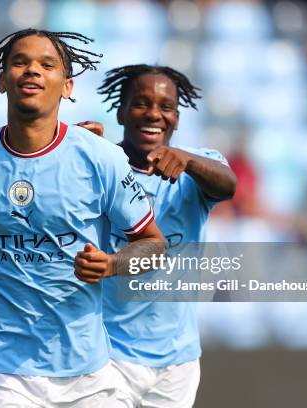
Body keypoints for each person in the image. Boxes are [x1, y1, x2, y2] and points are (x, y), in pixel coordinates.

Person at [0, 29, 164, 407]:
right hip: (2, 374)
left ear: (67, 86)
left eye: (47, 64)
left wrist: (111, 264)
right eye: (20, 62)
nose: (32, 72)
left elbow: (154, 247)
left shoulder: (100, 158)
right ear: (2, 79)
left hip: (88, 375)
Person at [96, 64, 236, 407]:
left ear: (176, 117)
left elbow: (228, 185)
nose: (154, 114)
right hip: (108, 352)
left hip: (178, 361)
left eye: (166, 107)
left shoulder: (197, 166)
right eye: (141, 103)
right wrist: (81, 150)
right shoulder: (100, 165)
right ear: (121, 112)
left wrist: (188, 162)